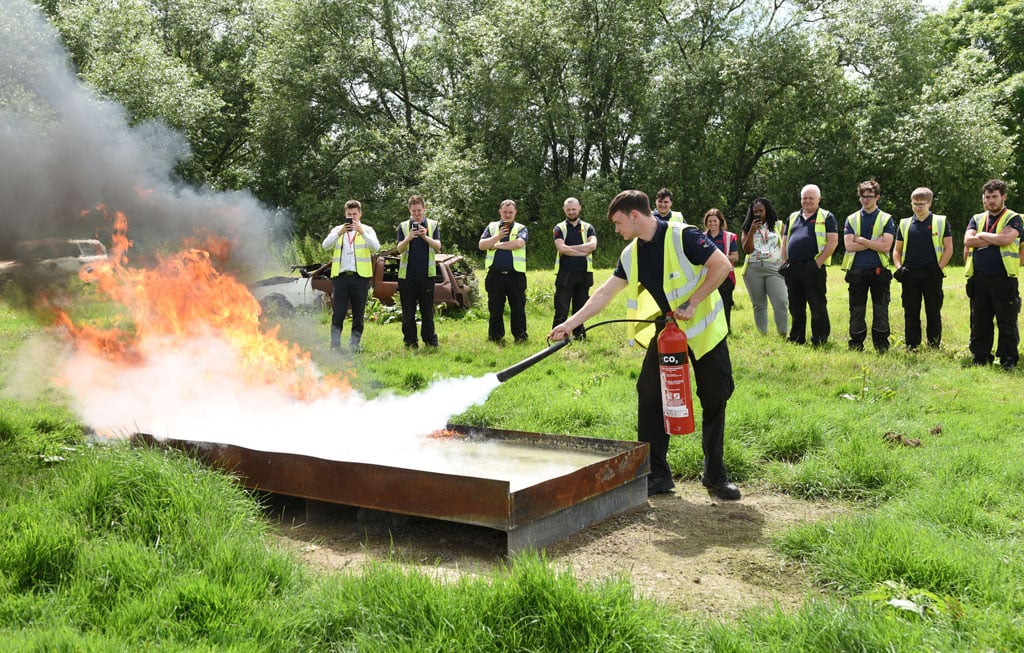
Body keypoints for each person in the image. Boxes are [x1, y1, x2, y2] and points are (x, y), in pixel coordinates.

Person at [549, 190, 739, 501]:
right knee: (649, 394)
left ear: (635, 216)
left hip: (706, 334)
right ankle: (657, 475)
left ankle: (715, 474)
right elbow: (603, 294)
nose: (616, 229)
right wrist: (569, 324)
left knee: (715, 397)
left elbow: (721, 266)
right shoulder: (631, 253)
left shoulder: (684, 236)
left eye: (618, 222)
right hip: (667, 334)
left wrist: (693, 303)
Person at [963, 179, 1022, 369]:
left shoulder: (1014, 218)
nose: (990, 201)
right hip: (979, 278)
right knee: (979, 321)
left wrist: (981, 236)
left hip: (1003, 279)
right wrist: (993, 239)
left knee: (1006, 322)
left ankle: (1008, 359)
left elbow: (1007, 239)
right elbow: (968, 241)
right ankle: (980, 357)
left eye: (994, 197)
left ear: (1003, 197)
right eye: (987, 197)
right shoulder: (977, 218)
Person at [892, 187, 953, 350]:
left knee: (933, 312)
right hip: (910, 273)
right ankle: (912, 345)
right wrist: (899, 268)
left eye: (921, 204)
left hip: (932, 273)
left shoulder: (940, 222)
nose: (918, 207)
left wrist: (939, 268)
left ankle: (934, 345)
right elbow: (897, 250)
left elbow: (948, 248)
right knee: (910, 312)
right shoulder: (904, 223)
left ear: (930, 203)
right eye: (915, 204)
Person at [841, 180, 895, 353]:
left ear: (877, 197)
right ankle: (856, 345)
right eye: (862, 196)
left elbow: (886, 247)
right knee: (856, 310)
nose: (865, 200)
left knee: (881, 310)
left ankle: (881, 345)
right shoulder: (852, 219)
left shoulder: (886, 219)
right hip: (857, 271)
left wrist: (862, 240)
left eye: (869, 197)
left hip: (879, 271)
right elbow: (849, 246)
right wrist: (874, 242)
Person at [781, 184, 839, 346]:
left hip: (813, 267)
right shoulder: (792, 217)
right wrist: (785, 262)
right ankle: (796, 337)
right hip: (793, 267)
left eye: (811, 198)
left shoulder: (826, 216)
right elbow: (784, 241)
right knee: (795, 304)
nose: (807, 201)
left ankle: (819, 339)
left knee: (817, 304)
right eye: (804, 198)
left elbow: (833, 241)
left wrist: (818, 262)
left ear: (818, 199)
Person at [322, 200, 380, 351]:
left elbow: (376, 247)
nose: (352, 217)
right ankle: (335, 345)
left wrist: (362, 232)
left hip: (360, 277)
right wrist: (339, 233)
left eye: (355, 214)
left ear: (360, 214)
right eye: (349, 214)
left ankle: (354, 345)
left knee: (358, 313)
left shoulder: (367, 229)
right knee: (338, 313)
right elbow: (325, 246)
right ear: (345, 214)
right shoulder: (337, 229)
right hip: (340, 277)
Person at [479, 199, 529, 343]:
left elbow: (518, 243)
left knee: (518, 309)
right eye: (505, 212)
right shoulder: (492, 227)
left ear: (515, 213)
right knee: (495, 309)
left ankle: (520, 337)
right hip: (495, 276)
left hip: (515, 275)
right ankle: (495, 337)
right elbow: (482, 245)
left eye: (510, 212)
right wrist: (498, 237)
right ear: (500, 212)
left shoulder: (521, 228)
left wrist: (496, 245)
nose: (507, 215)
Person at [396, 195, 441, 348]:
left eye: (419, 211)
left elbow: (438, 246)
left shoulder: (433, 225)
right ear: (409, 210)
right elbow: (399, 249)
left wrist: (425, 236)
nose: (417, 214)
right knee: (408, 312)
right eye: (414, 211)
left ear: (424, 209)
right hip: (407, 276)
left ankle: (430, 341)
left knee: (427, 311)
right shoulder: (402, 226)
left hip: (426, 275)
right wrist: (408, 237)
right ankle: (410, 342)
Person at [741, 198, 788, 336]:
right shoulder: (747, 227)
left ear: (767, 210)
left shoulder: (779, 225)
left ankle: (783, 333)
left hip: (775, 267)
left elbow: (785, 245)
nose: (758, 214)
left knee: (780, 301)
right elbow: (747, 249)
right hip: (753, 268)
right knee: (759, 304)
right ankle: (763, 334)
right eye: (755, 211)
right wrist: (751, 231)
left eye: (761, 211)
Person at [552, 197, 597, 340]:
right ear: (564, 210)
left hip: (584, 274)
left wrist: (569, 249)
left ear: (579, 209)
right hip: (565, 274)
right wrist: (582, 252)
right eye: (568, 209)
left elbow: (592, 246)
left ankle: (579, 336)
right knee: (561, 309)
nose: (571, 212)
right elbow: (561, 248)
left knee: (581, 308)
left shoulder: (588, 227)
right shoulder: (559, 228)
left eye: (574, 209)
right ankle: (558, 337)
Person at [703, 208, 738, 331]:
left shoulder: (729, 237)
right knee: (707, 304)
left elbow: (735, 257)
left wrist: (721, 258)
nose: (712, 224)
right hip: (706, 276)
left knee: (726, 303)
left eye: (715, 221)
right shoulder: (701, 238)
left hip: (725, 276)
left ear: (720, 222)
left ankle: (726, 328)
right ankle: (709, 328)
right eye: (710, 221)